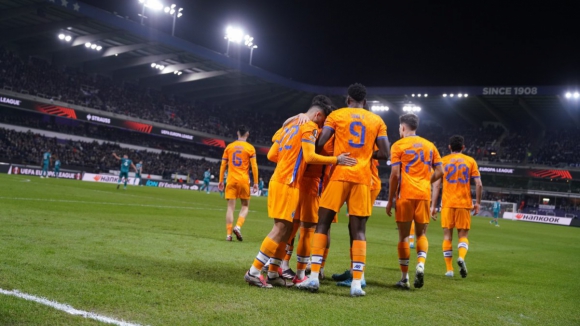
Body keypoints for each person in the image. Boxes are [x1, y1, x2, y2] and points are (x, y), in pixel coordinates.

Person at [244, 100, 355, 288]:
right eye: (322, 123)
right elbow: (311, 156)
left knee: (286, 230)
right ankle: (254, 272)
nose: (322, 127)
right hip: (291, 183)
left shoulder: (289, 127)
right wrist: (337, 160)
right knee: (284, 229)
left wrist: (291, 154)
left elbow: (271, 155)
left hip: (279, 179)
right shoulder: (310, 128)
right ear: (319, 116)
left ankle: (273, 273)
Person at [299, 84, 390, 297]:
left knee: (322, 224)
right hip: (362, 179)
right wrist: (366, 156)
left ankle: (313, 278)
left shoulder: (337, 115)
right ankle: (357, 283)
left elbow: (320, 143)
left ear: (348, 99)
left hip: (340, 174)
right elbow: (386, 153)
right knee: (359, 231)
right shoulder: (377, 121)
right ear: (365, 102)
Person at [386, 113, 443, 290]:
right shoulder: (430, 146)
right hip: (423, 195)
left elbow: (395, 175)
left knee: (403, 236)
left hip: (405, 195)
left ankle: (404, 278)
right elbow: (440, 171)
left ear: (403, 127)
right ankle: (420, 264)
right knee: (422, 235)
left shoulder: (398, 145)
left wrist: (390, 200)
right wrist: (427, 181)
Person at [431, 135, 483, 278]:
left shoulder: (443, 161)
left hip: (447, 204)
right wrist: (477, 203)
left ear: (449, 147)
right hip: (464, 204)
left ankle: (449, 269)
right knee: (463, 236)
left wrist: (433, 206)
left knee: (447, 236)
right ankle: (461, 257)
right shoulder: (470, 161)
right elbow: (479, 184)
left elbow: (436, 185)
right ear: (463, 147)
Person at [218, 126, 259, 242]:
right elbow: (254, 166)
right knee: (245, 206)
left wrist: (221, 180)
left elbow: (223, 165)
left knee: (230, 208)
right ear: (247, 134)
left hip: (231, 180)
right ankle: (238, 226)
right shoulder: (250, 148)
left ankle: (228, 235)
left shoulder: (229, 147)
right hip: (243, 180)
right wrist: (256, 182)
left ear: (237, 133)